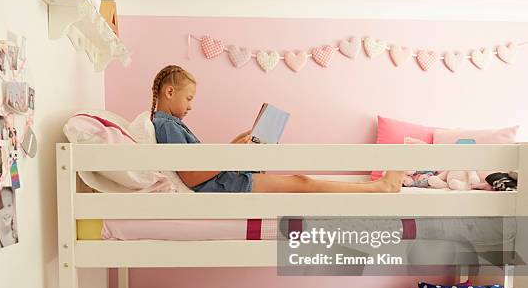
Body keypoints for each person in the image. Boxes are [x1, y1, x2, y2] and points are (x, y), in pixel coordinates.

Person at [150, 65, 403, 193]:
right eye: (189, 98)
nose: (190, 106)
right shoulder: (166, 124)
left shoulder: (170, 124)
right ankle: (380, 188)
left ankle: (379, 187)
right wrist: (231, 153)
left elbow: (196, 168)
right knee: (302, 182)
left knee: (301, 180)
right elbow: (191, 177)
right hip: (224, 185)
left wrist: (235, 147)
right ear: (170, 92)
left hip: (224, 179)